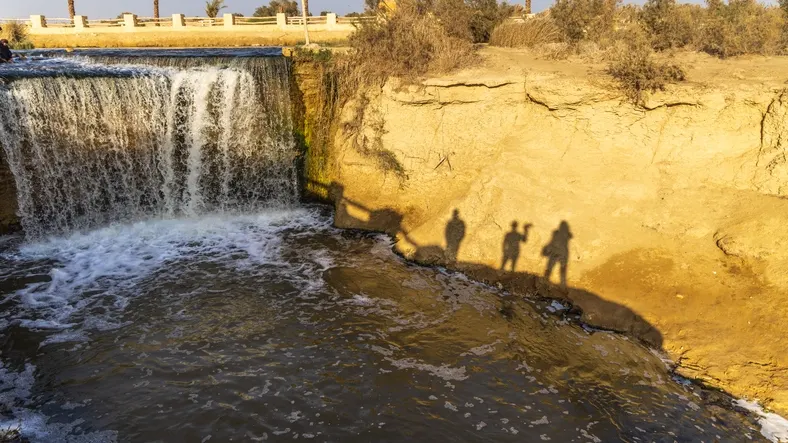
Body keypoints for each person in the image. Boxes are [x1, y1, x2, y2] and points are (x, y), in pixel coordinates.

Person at [543, 221, 573, 287]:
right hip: (560, 254)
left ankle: (546, 281)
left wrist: (547, 249)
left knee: (551, 268)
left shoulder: (558, 233)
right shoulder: (565, 234)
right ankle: (562, 284)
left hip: (557, 253)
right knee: (560, 269)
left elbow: (551, 242)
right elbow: (552, 242)